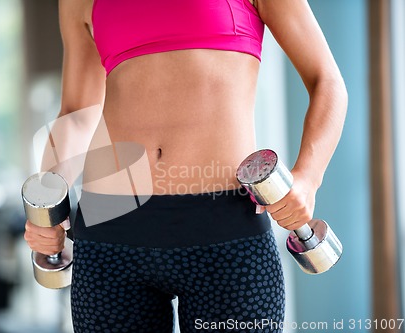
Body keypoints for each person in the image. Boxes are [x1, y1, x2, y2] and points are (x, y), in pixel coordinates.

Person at [24, 0, 347, 332]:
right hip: (110, 229)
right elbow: (77, 113)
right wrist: (47, 207)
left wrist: (308, 177)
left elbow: (327, 82)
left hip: (225, 231)